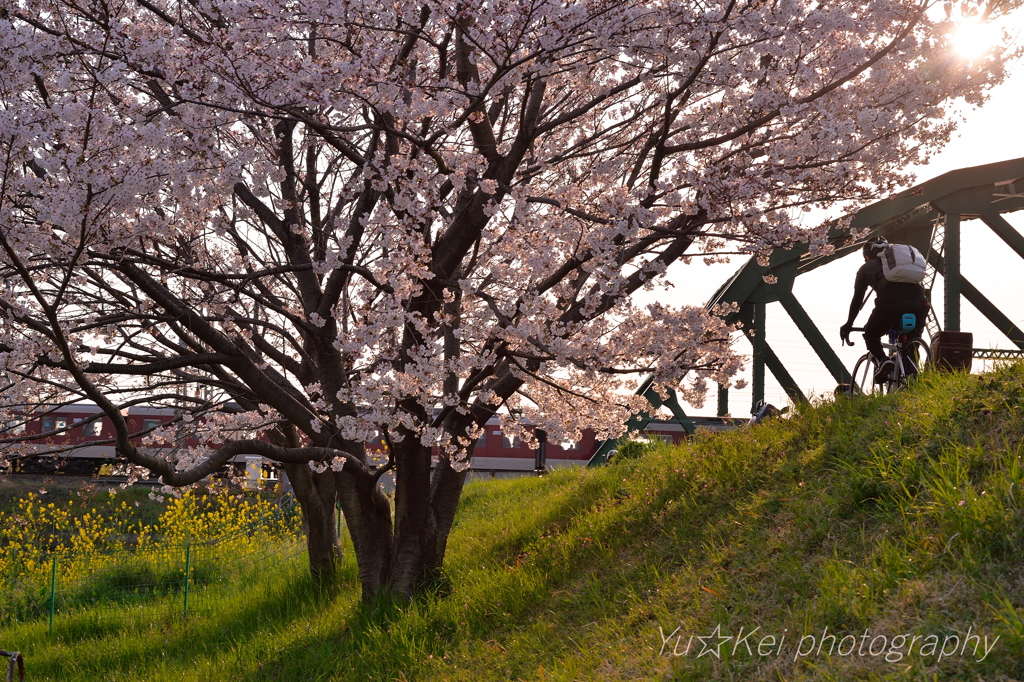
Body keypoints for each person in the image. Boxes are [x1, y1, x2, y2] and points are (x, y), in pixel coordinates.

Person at [840, 237, 930, 383]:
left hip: (891, 301)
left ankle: (883, 361)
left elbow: (858, 299)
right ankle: (912, 378)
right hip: (920, 302)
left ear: (867, 256)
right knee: (912, 341)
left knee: (871, 333)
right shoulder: (902, 265)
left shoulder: (866, 268)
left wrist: (849, 323)